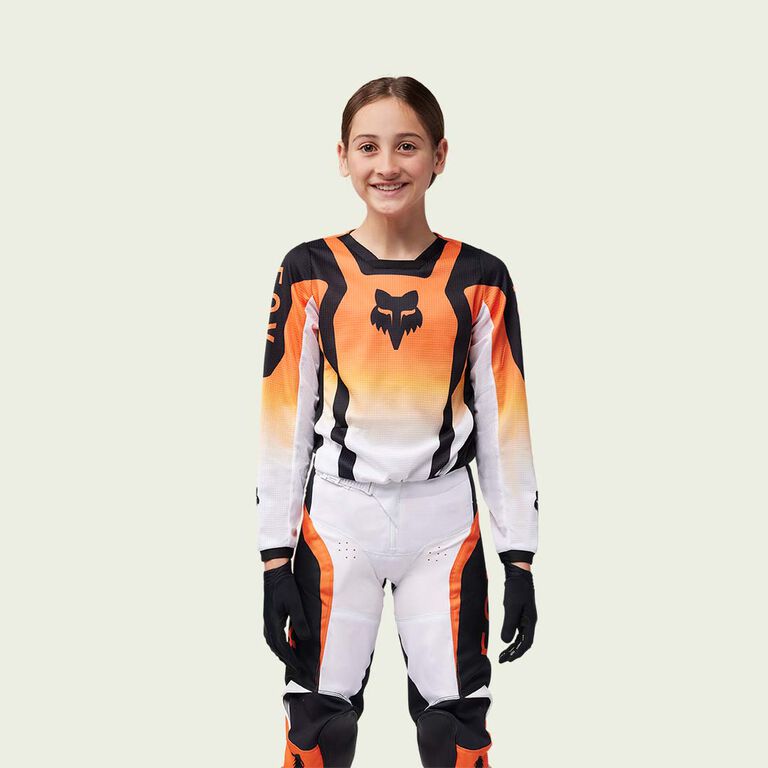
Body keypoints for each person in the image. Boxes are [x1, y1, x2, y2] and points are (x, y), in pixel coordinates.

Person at [257, 76, 540, 768]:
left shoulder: (481, 277)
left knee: (457, 730)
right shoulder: (309, 270)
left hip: (443, 526)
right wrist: (273, 557)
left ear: (440, 155)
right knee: (318, 724)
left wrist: (520, 557)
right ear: (342, 157)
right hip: (338, 522)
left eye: (407, 146)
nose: (387, 165)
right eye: (369, 147)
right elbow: (283, 418)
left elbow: (504, 422)